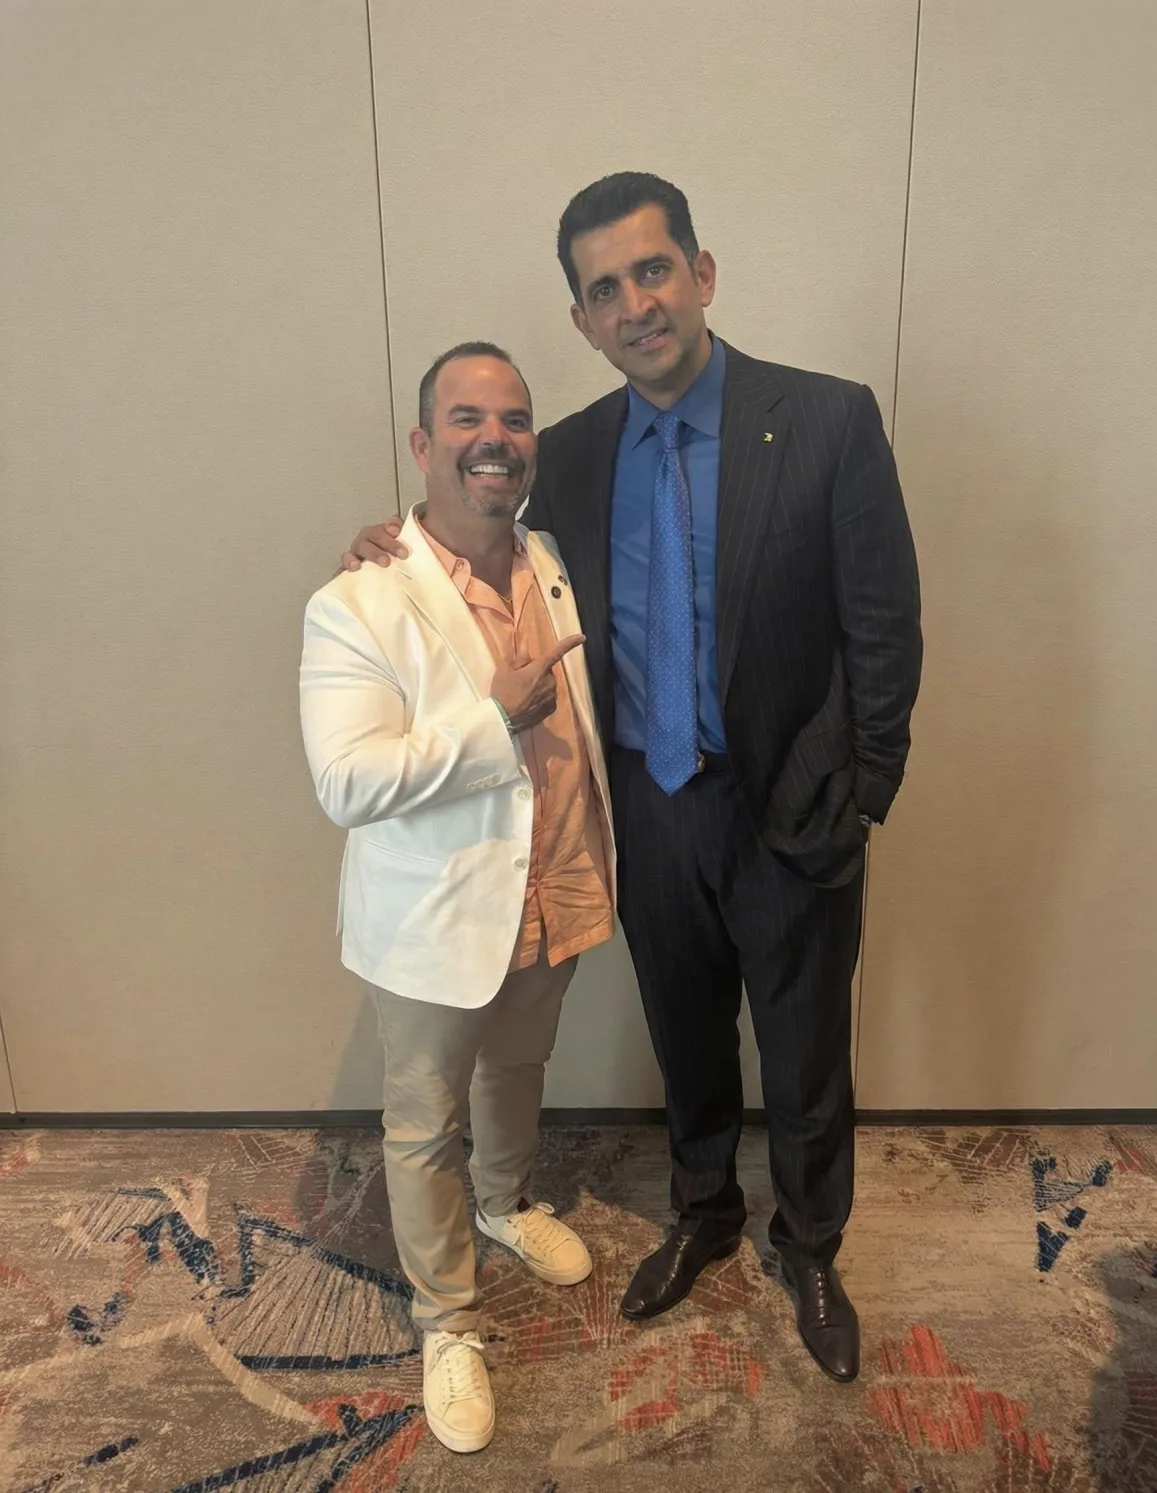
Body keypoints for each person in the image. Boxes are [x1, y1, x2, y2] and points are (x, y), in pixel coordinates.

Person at [339, 174, 922, 1384]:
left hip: (793, 804)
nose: (636, 304)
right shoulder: (571, 453)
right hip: (648, 809)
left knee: (806, 1052)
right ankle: (704, 1211)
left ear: (701, 274)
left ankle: (811, 1246)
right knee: (686, 1037)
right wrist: (390, 541)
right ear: (583, 320)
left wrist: (864, 787)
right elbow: (479, 532)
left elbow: (884, 622)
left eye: (653, 270)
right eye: (605, 289)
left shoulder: (827, 419)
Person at [301, 342, 616, 1452]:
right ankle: (446, 1318)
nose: (496, 439)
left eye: (515, 419)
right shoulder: (358, 598)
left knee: (520, 1067)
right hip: (436, 915)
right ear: (423, 443)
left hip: (561, 879)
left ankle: (505, 1200)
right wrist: (496, 724)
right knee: (424, 1119)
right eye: (468, 419)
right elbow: (347, 781)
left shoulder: (554, 555)